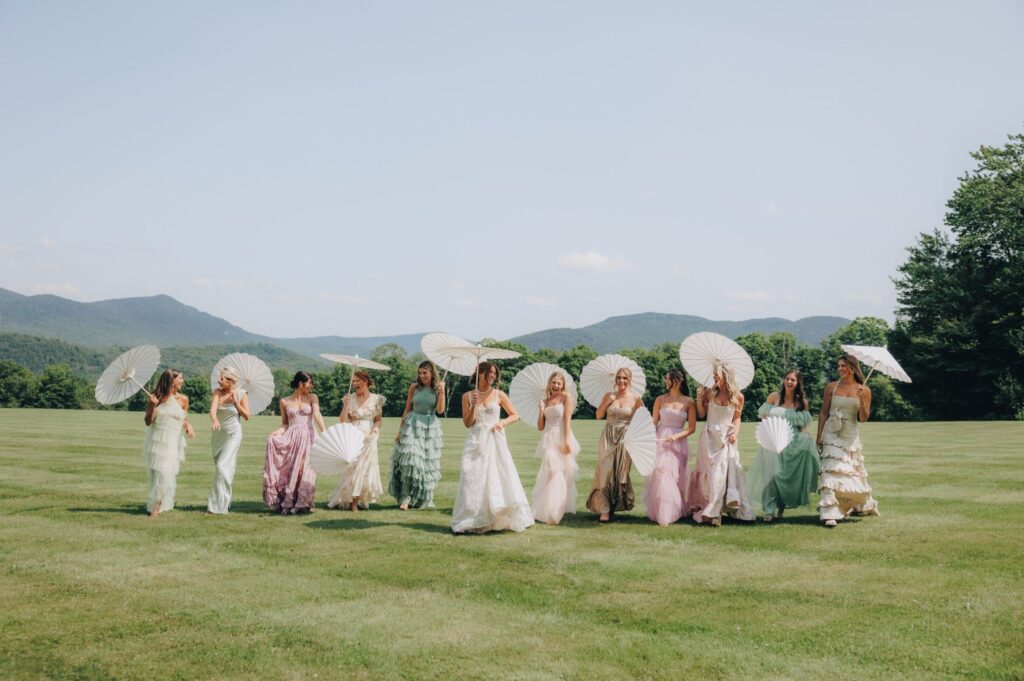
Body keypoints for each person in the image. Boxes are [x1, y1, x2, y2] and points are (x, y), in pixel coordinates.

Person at [451, 362, 533, 534]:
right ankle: (471, 519)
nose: (493, 376)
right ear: (480, 373)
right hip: (475, 440)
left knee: (496, 477)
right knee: (472, 477)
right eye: (490, 373)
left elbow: (515, 415)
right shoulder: (467, 395)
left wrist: (502, 423)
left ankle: (496, 517)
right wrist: (473, 405)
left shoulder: (499, 394)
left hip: (494, 440)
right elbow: (467, 423)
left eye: (495, 374)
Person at [746, 369, 820, 522]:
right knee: (772, 475)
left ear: (798, 383)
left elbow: (802, 426)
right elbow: (764, 418)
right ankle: (769, 510)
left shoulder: (802, 403)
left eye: (793, 380)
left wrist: (807, 437)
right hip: (772, 442)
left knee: (787, 477)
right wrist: (767, 435)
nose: (789, 382)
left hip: (793, 442)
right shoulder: (774, 397)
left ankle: (781, 506)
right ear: (784, 380)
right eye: (787, 378)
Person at [687, 364, 755, 526]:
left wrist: (735, 433)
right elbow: (702, 414)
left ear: (725, 375)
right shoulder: (709, 393)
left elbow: (737, 418)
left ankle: (716, 512)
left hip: (727, 438)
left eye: (716, 374)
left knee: (722, 473)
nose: (714, 377)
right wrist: (699, 398)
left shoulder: (738, 397)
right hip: (709, 438)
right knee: (710, 474)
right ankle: (712, 510)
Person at [816, 354, 878, 527]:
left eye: (843, 366)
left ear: (852, 368)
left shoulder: (864, 390)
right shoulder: (831, 387)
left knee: (849, 471)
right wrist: (819, 435)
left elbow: (864, 418)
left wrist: (862, 401)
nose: (840, 369)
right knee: (830, 469)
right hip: (831, 432)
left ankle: (846, 506)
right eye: (838, 366)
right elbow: (823, 412)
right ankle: (829, 513)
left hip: (850, 434)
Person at [586, 367, 644, 522]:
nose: (621, 381)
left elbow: (643, 421)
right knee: (604, 471)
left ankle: (613, 505)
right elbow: (598, 415)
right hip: (608, 436)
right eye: (619, 378)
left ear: (630, 380)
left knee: (619, 473)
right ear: (615, 379)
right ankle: (604, 509)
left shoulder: (636, 399)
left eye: (625, 378)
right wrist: (607, 402)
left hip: (625, 438)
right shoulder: (608, 395)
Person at [263, 371, 326, 514]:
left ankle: (303, 502)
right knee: (292, 469)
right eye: (310, 382)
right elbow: (285, 424)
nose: (312, 385)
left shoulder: (312, 398)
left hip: (308, 436)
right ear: (300, 383)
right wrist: (276, 433)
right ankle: (289, 500)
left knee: (306, 468)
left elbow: (316, 414)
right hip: (292, 437)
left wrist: (324, 432)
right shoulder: (284, 401)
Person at [389, 360, 445, 510]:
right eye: (420, 373)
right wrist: (400, 431)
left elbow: (440, 410)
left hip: (429, 428)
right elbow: (407, 409)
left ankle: (422, 498)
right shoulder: (414, 387)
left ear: (432, 373)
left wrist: (443, 392)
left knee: (425, 465)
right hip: (412, 425)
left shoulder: (438, 389)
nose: (422, 376)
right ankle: (405, 498)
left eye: (425, 373)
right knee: (410, 461)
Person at [142, 369, 196, 517]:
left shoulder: (183, 400)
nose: (182, 381)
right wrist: (152, 405)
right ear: (172, 381)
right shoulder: (156, 397)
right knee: (156, 474)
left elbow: (183, 418)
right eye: (180, 379)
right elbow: (148, 422)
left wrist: (188, 426)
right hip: (157, 441)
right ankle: (157, 502)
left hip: (173, 442)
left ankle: (156, 508)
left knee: (165, 473)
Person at [329, 371, 386, 511]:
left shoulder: (376, 399)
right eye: (353, 381)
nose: (355, 384)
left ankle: (357, 501)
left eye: (357, 381)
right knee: (352, 469)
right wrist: (346, 405)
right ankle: (351, 500)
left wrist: (375, 430)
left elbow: (378, 420)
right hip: (353, 436)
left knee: (363, 469)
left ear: (366, 381)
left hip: (369, 438)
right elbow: (343, 420)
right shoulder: (349, 398)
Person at [646, 370, 696, 526]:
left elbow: (692, 428)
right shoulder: (660, 400)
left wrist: (676, 436)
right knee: (662, 473)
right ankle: (664, 514)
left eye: (668, 379)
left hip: (678, 443)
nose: (665, 381)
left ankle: (675, 509)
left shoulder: (688, 402)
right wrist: (648, 438)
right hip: (660, 440)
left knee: (676, 478)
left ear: (678, 381)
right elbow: (654, 423)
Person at [530, 371, 580, 525]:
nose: (556, 385)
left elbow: (567, 419)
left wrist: (566, 442)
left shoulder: (566, 397)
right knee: (551, 471)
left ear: (562, 385)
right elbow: (540, 426)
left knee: (561, 473)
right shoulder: (545, 400)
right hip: (548, 439)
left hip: (562, 436)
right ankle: (548, 509)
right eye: (554, 382)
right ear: (549, 384)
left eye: (559, 383)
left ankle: (556, 510)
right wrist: (541, 409)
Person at [207, 366, 250, 514]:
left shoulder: (241, 394)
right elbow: (212, 411)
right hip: (218, 434)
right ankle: (226, 499)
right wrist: (214, 420)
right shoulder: (217, 393)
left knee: (221, 467)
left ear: (231, 381)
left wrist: (236, 402)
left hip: (233, 435)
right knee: (225, 468)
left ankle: (217, 506)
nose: (219, 381)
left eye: (222, 379)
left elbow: (247, 416)